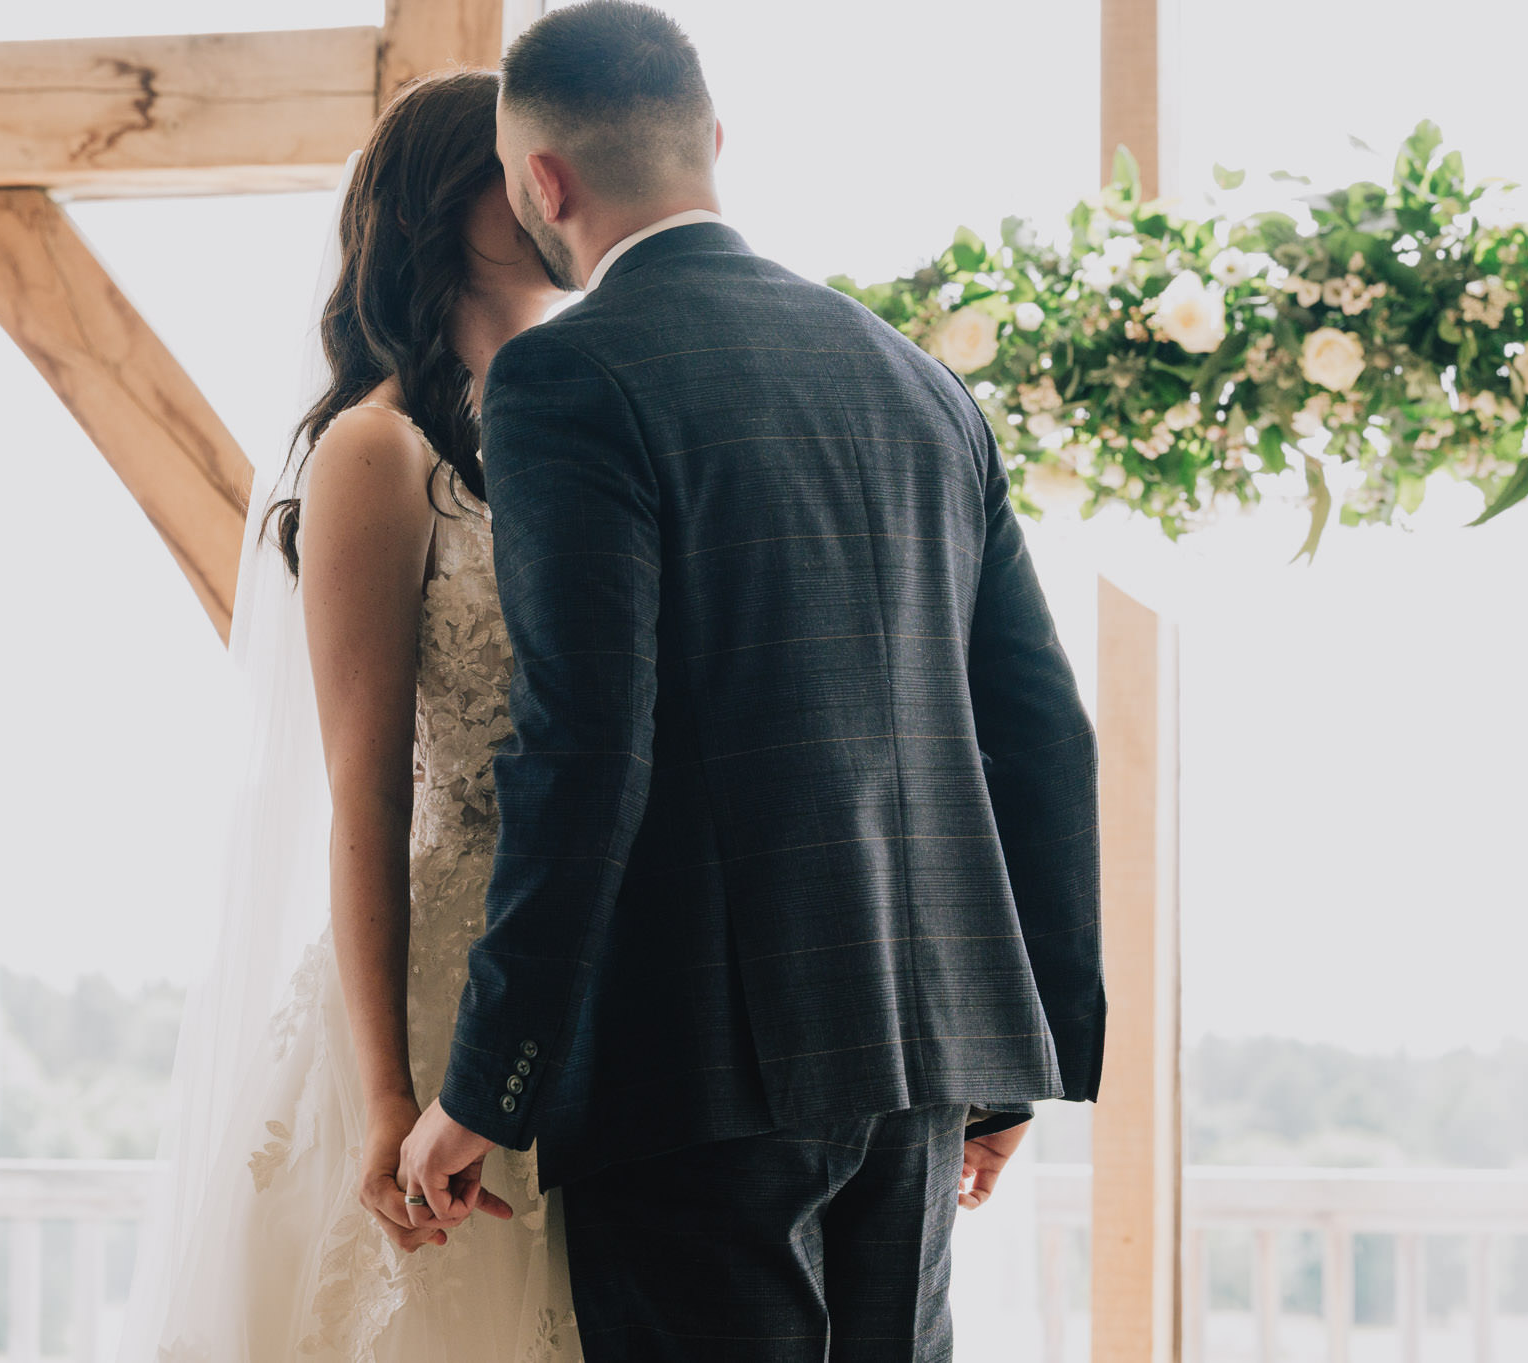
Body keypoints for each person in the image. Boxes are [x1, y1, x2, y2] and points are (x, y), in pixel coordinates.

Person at [396, 4, 1106, 1359]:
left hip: (694, 1063)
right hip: (917, 1058)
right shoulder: (918, 381)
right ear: (712, 141)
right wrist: (1024, 1062)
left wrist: (491, 1083)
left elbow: (587, 746)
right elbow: (1044, 736)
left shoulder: (564, 378)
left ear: (542, 181)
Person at [112, 70, 582, 1362]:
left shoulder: (570, 430)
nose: (561, 186)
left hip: (582, 975)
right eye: (521, 162)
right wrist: (386, 1094)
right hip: (438, 978)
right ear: (448, 200)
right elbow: (367, 792)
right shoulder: (379, 452)